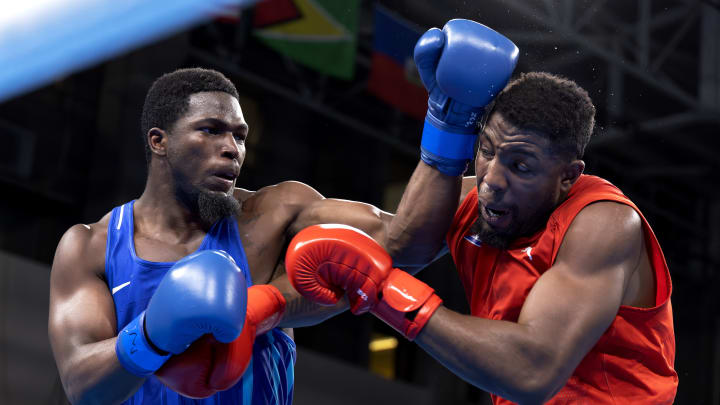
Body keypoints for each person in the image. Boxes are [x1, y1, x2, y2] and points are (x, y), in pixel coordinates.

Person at [48, 19, 519, 405]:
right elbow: (81, 384)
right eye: (211, 130)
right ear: (159, 141)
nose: (232, 149)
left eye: (239, 135)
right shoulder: (90, 246)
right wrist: (152, 334)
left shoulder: (274, 213)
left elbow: (402, 245)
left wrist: (450, 127)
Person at [285, 69, 678, 403]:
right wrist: (446, 125)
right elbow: (393, 239)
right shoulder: (471, 202)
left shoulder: (603, 224)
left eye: (520, 166)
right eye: (487, 150)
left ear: (568, 177)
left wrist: (385, 291)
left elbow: (532, 371)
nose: (491, 180)